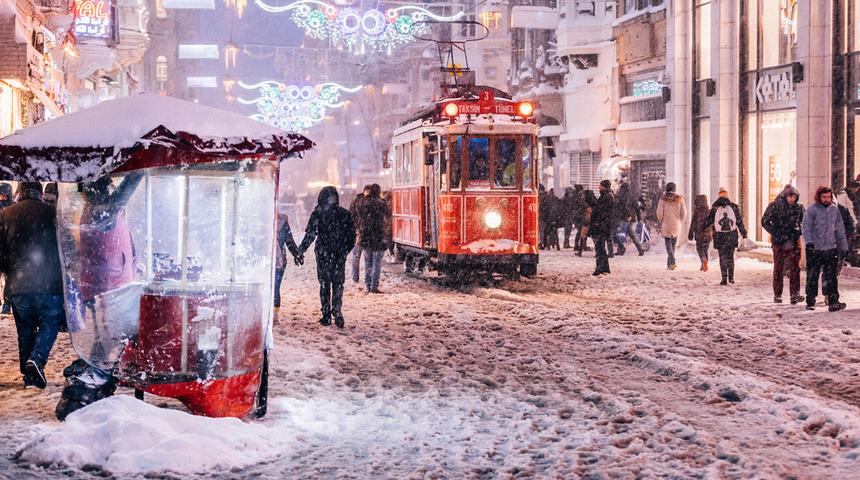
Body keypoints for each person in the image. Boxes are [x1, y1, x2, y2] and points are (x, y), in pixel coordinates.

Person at [0, 182, 64, 388]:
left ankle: (30, 378)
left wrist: (11, 270)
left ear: (19, 191)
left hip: (19, 285)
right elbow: (66, 249)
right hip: (49, 284)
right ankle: (36, 359)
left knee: (25, 330)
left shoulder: (6, 214)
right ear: (40, 192)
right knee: (50, 322)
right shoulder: (54, 214)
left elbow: (0, 253)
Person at [298, 187, 356, 328]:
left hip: (323, 253)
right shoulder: (344, 214)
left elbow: (310, 235)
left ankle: (326, 314)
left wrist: (301, 250)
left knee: (324, 284)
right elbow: (352, 236)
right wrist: (345, 250)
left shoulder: (318, 214)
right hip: (338, 254)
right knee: (338, 283)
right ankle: (337, 309)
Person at [802, 186, 848, 312]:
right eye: (824, 197)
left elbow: (840, 230)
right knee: (812, 276)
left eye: (828, 197)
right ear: (819, 197)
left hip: (830, 248)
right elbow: (806, 228)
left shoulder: (835, 210)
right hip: (815, 249)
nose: (826, 199)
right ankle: (810, 301)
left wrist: (844, 247)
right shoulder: (811, 210)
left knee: (831, 277)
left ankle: (833, 301)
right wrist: (809, 243)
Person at [761, 185, 805, 304]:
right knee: (779, 268)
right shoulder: (774, 206)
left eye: (794, 197)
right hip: (779, 241)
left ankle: (794, 294)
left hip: (794, 239)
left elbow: (804, 222)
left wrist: (799, 230)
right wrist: (777, 232)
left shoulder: (799, 207)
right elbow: (764, 221)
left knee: (795, 268)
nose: (792, 199)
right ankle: (778, 294)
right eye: (790, 196)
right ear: (785, 196)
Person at [705, 187, 748, 286]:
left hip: (719, 236)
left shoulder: (715, 208)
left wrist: (703, 227)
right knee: (730, 257)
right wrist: (743, 232)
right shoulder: (734, 207)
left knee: (722, 257)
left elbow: (708, 222)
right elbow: (739, 222)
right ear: (728, 196)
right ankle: (731, 278)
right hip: (731, 235)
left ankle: (724, 278)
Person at [358, 184, 388, 293]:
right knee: (377, 263)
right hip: (378, 236)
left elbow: (359, 215)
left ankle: (367, 285)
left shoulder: (362, 202)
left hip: (366, 236)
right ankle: (374, 286)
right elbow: (388, 213)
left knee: (368, 262)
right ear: (379, 192)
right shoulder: (381, 203)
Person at [656, 182, 687, 270]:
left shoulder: (663, 199)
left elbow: (659, 213)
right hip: (676, 225)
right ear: (674, 189)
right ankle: (670, 264)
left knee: (668, 245)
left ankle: (672, 262)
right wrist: (680, 220)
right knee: (673, 245)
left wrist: (661, 220)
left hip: (666, 224)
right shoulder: (680, 199)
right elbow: (684, 213)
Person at [274, 212, 301, 309]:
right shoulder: (258, 221)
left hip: (278, 262)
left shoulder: (282, 222)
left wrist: (297, 255)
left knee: (275, 289)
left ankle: (274, 314)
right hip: (270, 262)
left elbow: (289, 241)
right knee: (273, 289)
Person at [589, 180, 615, 275]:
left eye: (600, 186)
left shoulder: (607, 197)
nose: (599, 187)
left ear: (604, 187)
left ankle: (600, 268)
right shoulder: (606, 196)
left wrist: (593, 203)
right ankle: (605, 268)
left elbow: (600, 210)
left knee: (599, 247)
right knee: (601, 247)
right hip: (603, 225)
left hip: (601, 225)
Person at [615, 183, 645, 256]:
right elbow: (637, 209)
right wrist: (639, 218)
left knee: (620, 234)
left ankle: (620, 250)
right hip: (632, 218)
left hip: (623, 218)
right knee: (633, 234)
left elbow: (619, 208)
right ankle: (640, 248)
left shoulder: (620, 197)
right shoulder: (633, 197)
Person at [349, 186, 370, 283]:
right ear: (364, 191)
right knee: (358, 256)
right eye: (368, 191)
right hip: (359, 233)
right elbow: (352, 217)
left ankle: (360, 277)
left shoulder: (356, 202)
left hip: (362, 233)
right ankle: (356, 277)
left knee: (361, 257)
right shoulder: (358, 202)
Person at [688, 194, 713, 272]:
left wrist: (690, 233)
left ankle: (703, 260)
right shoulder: (709, 211)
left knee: (699, 248)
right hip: (708, 234)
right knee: (705, 249)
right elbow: (712, 223)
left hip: (699, 233)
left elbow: (693, 223)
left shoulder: (697, 212)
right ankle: (704, 264)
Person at [0, 182, 13, 315]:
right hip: (7, 245)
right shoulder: (13, 207)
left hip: (6, 245)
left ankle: (6, 303)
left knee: (8, 277)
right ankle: (6, 303)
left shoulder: (11, 208)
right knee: (8, 277)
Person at [576, 190, 596, 256]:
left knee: (582, 236)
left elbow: (589, 210)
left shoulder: (586, 203)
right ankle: (597, 252)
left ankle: (580, 251)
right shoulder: (594, 202)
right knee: (594, 237)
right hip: (593, 221)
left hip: (587, 221)